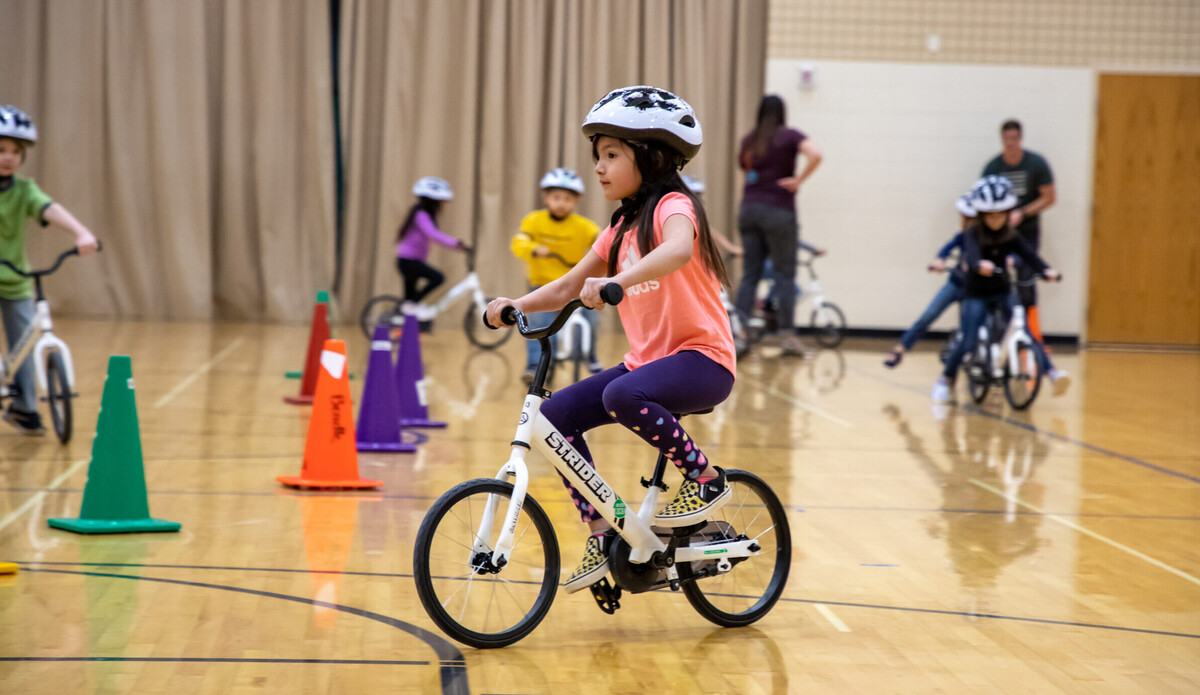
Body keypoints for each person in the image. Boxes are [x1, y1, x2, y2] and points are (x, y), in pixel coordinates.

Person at [485, 86, 736, 594]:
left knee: (621, 394)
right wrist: (515, 304)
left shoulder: (674, 205)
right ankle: (603, 533)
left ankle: (706, 479)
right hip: (647, 365)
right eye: (598, 156)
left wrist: (616, 281)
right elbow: (567, 286)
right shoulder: (620, 226)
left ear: (652, 157)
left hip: (703, 360)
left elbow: (678, 249)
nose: (599, 167)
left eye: (612, 155)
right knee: (555, 418)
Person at [0, 105, 98, 435]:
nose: (8, 158)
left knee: (25, 344)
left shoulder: (23, 190)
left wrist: (81, 232)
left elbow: (48, 208)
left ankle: (25, 409)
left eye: (15, 152)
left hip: (15, 279)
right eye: (1, 149)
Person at [933, 176, 1061, 403]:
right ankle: (945, 378)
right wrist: (979, 265)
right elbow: (971, 256)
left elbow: (1029, 255)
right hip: (976, 294)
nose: (995, 220)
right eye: (990, 216)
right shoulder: (972, 234)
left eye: (1000, 215)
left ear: (1007, 214)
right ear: (982, 215)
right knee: (968, 340)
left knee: (1026, 330)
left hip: (1002, 291)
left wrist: (1047, 270)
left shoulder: (1011, 235)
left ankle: (1052, 373)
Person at [981, 120, 1068, 391]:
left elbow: (1049, 197)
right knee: (999, 295)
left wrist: (1024, 213)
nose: (1011, 143)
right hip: (998, 241)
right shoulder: (993, 167)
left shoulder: (1036, 164)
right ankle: (994, 351)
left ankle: (1037, 358)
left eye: (1015, 138)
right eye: (1007, 138)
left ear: (1020, 139)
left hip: (1025, 234)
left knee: (1025, 289)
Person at [734, 95, 822, 356]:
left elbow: (746, 171)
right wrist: (798, 180)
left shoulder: (749, 140)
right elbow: (816, 155)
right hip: (779, 212)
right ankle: (788, 338)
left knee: (750, 275)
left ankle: (739, 336)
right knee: (784, 275)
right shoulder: (791, 136)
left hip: (749, 210)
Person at [511, 168, 601, 382]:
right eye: (556, 197)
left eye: (567, 199)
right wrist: (533, 248)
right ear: (546, 198)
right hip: (542, 285)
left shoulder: (585, 226)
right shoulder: (534, 220)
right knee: (540, 327)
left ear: (576, 201)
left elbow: (604, 242)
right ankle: (534, 366)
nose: (561, 203)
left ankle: (590, 357)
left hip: (575, 285)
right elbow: (519, 242)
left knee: (591, 320)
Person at [883, 192, 975, 368]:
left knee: (968, 329)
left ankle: (962, 356)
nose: (966, 221)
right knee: (929, 314)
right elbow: (947, 248)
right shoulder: (962, 236)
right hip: (955, 284)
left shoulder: (985, 238)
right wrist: (940, 260)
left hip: (973, 290)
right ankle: (901, 347)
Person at [395, 177, 472, 319]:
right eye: (440, 201)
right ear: (432, 201)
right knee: (438, 278)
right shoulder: (421, 214)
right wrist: (457, 244)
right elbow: (433, 234)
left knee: (410, 299)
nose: (442, 204)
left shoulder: (421, 213)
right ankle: (411, 306)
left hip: (409, 259)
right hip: (408, 260)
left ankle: (408, 311)